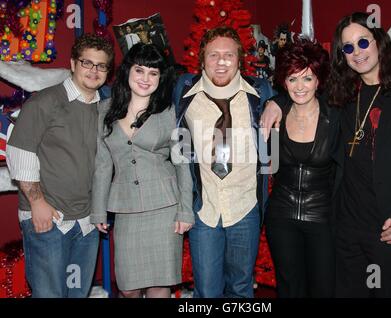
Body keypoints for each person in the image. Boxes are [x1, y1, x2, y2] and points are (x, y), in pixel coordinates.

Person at [261, 12, 391, 297]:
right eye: (348, 47)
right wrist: (276, 101)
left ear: (379, 41)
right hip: (346, 229)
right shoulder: (343, 96)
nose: (357, 52)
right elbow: (303, 90)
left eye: (362, 42)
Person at [6, 34, 114, 297]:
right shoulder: (46, 102)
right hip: (49, 219)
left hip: (87, 223)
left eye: (101, 66)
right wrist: (36, 203)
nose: (93, 71)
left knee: (77, 293)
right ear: (73, 64)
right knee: (49, 294)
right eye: (87, 63)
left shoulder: (107, 107)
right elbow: (20, 152)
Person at [173, 26, 274, 298]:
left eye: (228, 55)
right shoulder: (184, 91)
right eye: (213, 55)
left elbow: (294, 99)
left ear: (239, 59)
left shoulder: (261, 92)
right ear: (202, 59)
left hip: (245, 207)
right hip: (204, 209)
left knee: (241, 287)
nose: (221, 62)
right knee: (206, 291)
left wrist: (279, 102)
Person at [91, 43, 194, 298]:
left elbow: (183, 164)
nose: (146, 79)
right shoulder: (104, 110)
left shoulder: (171, 112)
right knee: (127, 288)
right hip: (126, 210)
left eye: (153, 73)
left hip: (165, 209)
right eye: (140, 70)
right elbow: (103, 165)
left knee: (160, 285)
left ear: (161, 78)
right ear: (128, 71)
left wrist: (185, 211)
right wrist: (98, 210)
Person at [265, 38, 337, 298]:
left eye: (307, 78)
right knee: (290, 288)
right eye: (292, 79)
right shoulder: (274, 116)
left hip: (323, 217)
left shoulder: (335, 116)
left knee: (323, 288)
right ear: (284, 82)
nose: (300, 87)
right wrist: (274, 103)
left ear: (318, 80)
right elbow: (268, 165)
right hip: (281, 216)